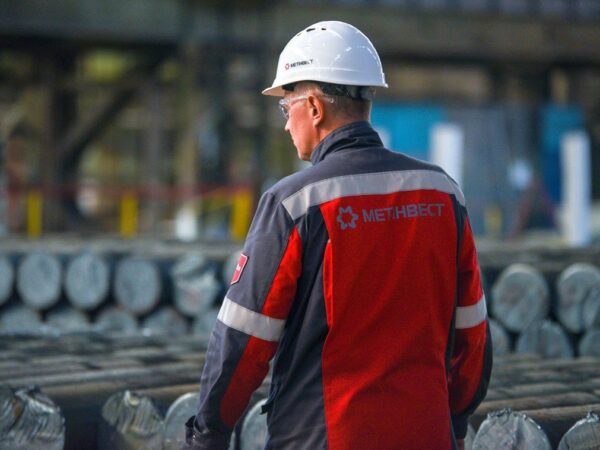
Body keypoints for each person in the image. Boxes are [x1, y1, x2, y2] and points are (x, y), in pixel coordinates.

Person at [185, 20, 492, 450]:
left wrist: (207, 435)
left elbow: (243, 342)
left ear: (314, 108)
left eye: (286, 107)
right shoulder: (442, 193)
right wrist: (454, 420)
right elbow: (472, 331)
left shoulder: (295, 203)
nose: (286, 124)